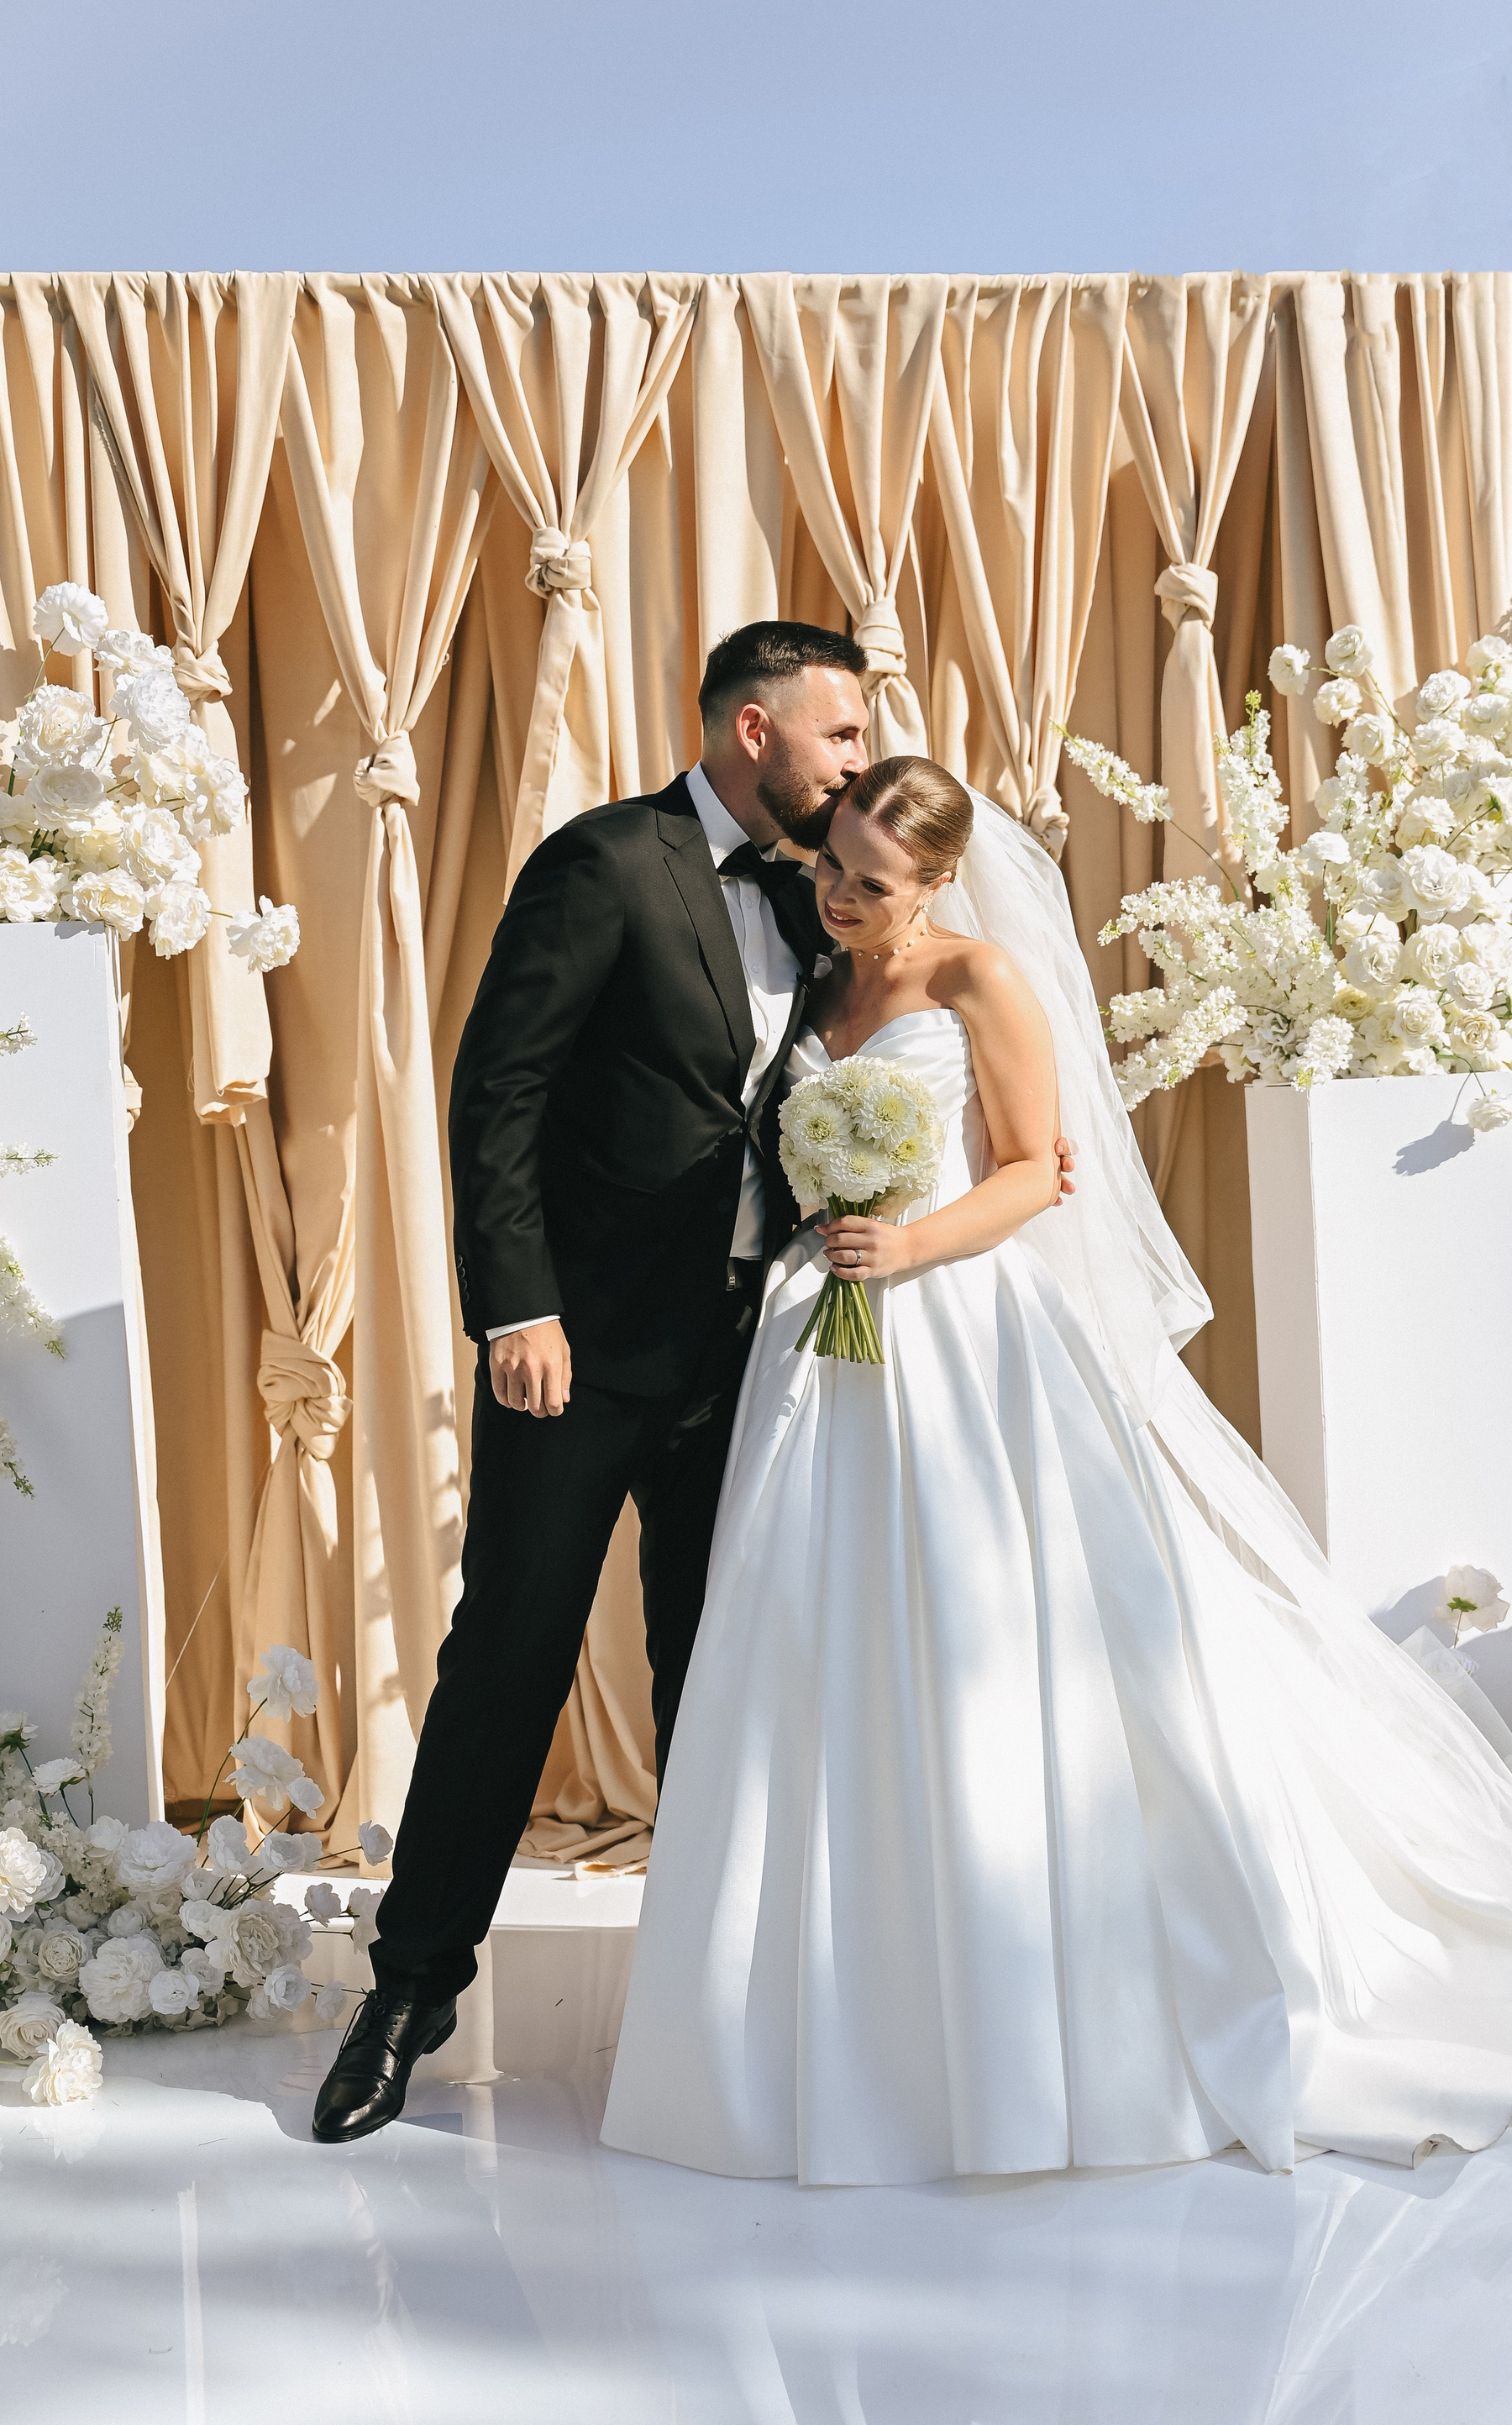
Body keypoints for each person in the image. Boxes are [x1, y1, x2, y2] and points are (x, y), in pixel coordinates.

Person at [601, 755, 1512, 2185]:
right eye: (829, 866)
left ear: (938, 882)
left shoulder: (981, 980)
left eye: (870, 881)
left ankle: (1017, 2015)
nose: (836, 895)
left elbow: (1035, 1168)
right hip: (818, 1345)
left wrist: (908, 1241)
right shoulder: (814, 985)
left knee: (986, 1641)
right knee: (810, 1642)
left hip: (957, 1334)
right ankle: (825, 2015)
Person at [312, 631, 1074, 2144]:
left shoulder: (830, 897)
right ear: (754, 729)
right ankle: (408, 1990)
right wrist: (518, 1306)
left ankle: (725, 2007)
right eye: (840, 734)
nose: (857, 760)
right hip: (579, 1354)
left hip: (760, 1359)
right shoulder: (607, 862)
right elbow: (499, 1090)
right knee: (511, 1652)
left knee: (723, 1674)